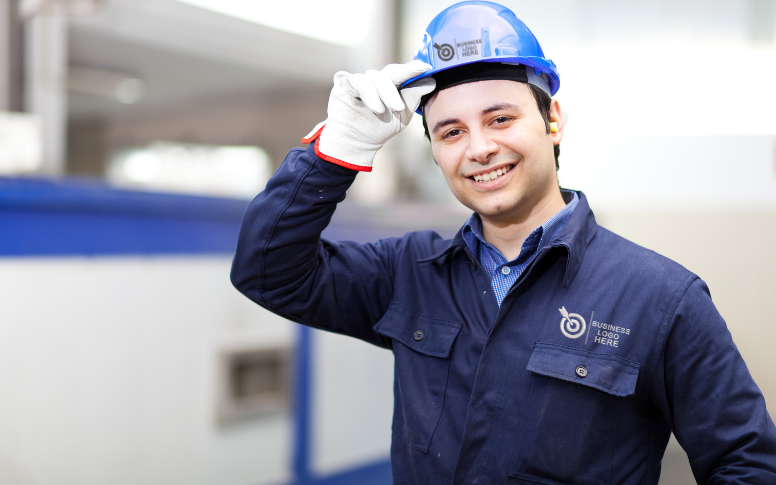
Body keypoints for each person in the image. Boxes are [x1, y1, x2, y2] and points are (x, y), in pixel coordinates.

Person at [231, 1, 776, 483]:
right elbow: (266, 271)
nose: (480, 148)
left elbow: (747, 464)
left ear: (552, 120)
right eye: (451, 131)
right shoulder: (410, 272)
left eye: (501, 118)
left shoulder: (660, 298)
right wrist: (334, 149)